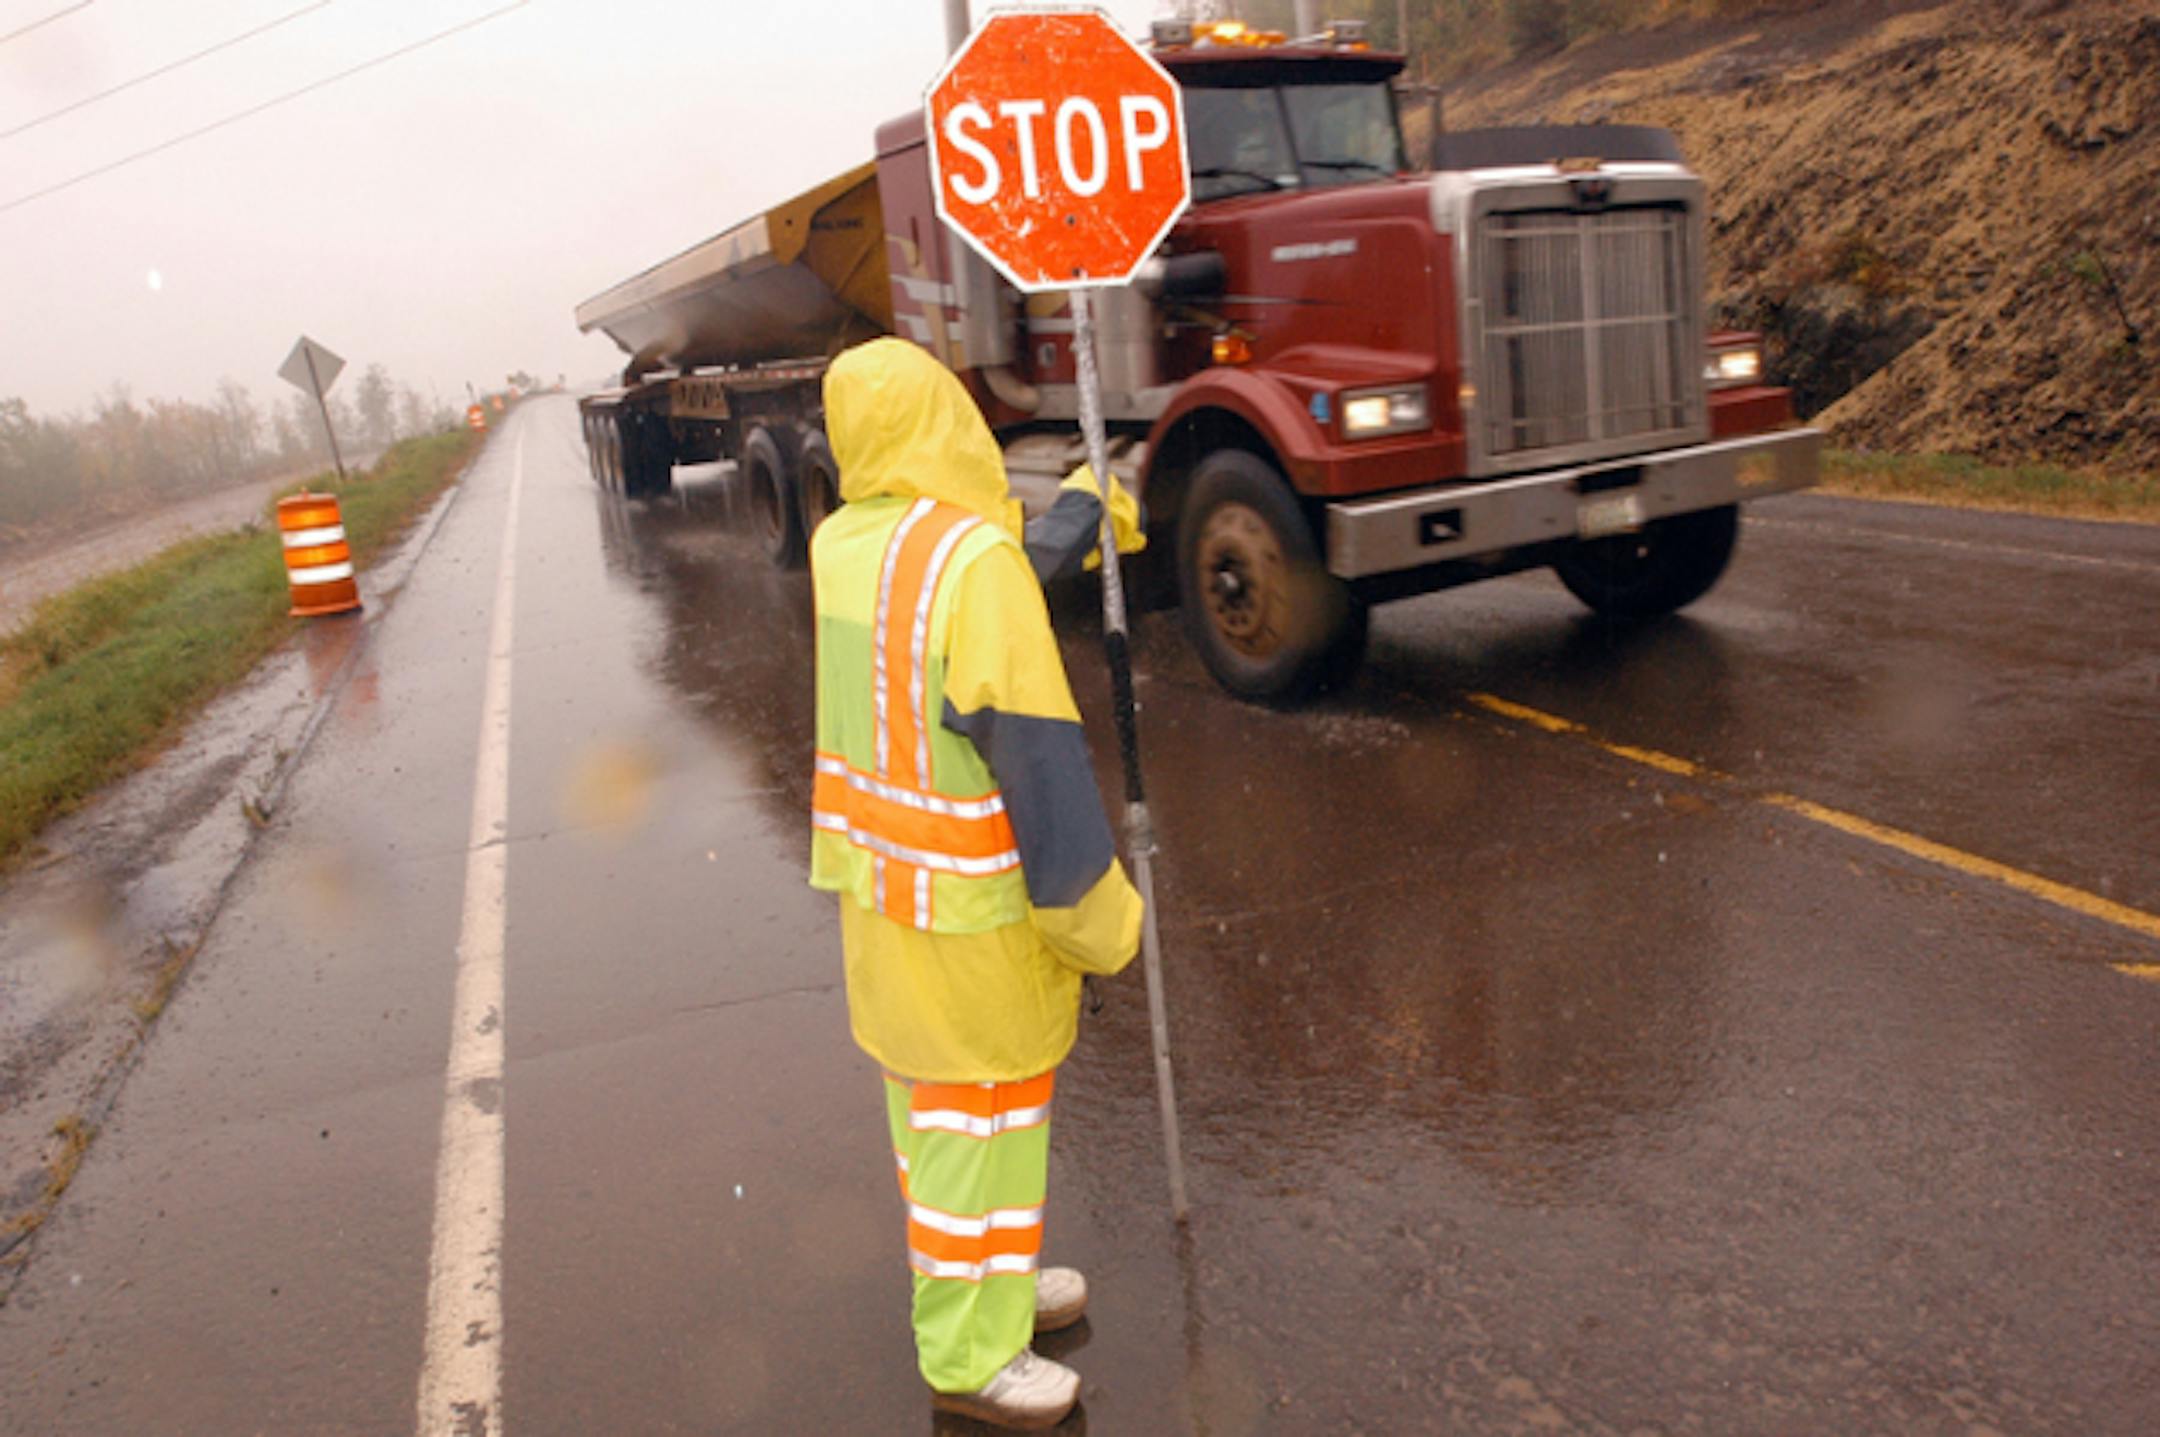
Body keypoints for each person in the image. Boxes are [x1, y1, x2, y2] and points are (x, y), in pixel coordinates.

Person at [808, 337, 1144, 1430]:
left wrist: (1080, 515)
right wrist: (1100, 920)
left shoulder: (847, 544)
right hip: (972, 916)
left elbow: (959, 583)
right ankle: (969, 1357)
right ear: (947, 420)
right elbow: (1038, 763)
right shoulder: (971, 562)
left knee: (941, 1124)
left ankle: (994, 1290)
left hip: (886, 902)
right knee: (981, 1126)